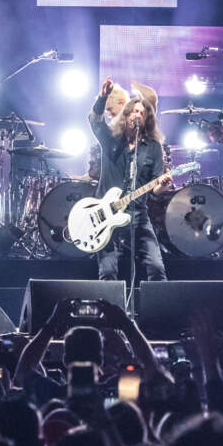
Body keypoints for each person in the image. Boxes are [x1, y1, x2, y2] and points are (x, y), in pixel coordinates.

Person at [89, 78, 171, 288]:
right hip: (106, 214)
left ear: (147, 120)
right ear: (126, 115)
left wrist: (163, 185)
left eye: (142, 113)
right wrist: (102, 97)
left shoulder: (153, 147)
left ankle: (157, 318)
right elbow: (95, 121)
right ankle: (110, 317)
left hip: (138, 215)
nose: (138, 115)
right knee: (107, 272)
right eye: (134, 111)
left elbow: (156, 186)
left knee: (157, 268)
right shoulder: (110, 140)